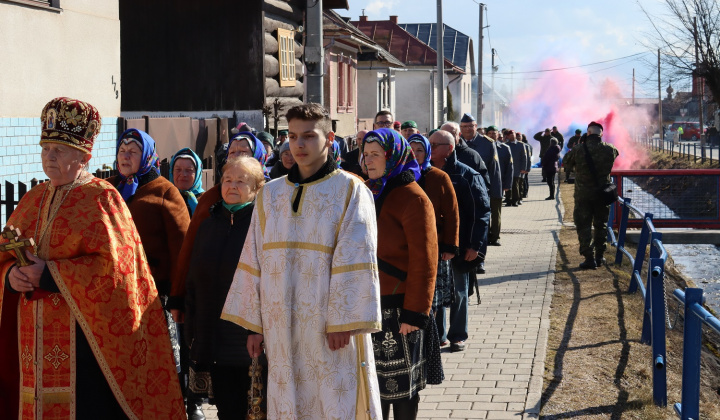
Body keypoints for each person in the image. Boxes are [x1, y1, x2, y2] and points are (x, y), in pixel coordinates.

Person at [0, 97, 184, 419]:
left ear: (84, 156)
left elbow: (117, 272)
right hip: (30, 347)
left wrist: (49, 274)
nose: (49, 157)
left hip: (84, 347)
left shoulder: (102, 198)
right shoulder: (32, 198)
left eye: (60, 150)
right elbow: (4, 250)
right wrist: (10, 276)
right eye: (46, 148)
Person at [221, 103, 383, 419]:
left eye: (309, 136)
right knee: (286, 401)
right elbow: (254, 257)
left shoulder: (350, 190)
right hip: (279, 324)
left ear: (330, 138)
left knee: (332, 401)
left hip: (328, 327)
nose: (299, 145)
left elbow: (357, 257)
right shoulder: (270, 193)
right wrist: (254, 326)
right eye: (293, 136)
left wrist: (343, 321)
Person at [363, 129, 438, 419]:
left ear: (392, 155)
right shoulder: (370, 190)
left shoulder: (413, 197)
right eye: (366, 154)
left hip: (400, 307)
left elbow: (425, 260)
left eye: (375, 154)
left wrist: (415, 313)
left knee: (402, 388)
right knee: (374, 387)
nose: (368, 160)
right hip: (370, 303)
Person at [184, 156, 267, 419]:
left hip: (249, 337)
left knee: (255, 407)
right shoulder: (209, 224)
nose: (232, 186)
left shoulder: (263, 225)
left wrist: (259, 328)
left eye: (241, 181)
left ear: (256, 188)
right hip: (212, 332)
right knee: (225, 406)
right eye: (227, 180)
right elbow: (194, 277)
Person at [168, 131, 268, 325]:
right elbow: (190, 250)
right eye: (232, 152)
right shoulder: (210, 200)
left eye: (244, 152)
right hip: (210, 302)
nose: (237, 156)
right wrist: (178, 297)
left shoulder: (272, 198)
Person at [429, 130, 490, 353]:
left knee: (458, 291)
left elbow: (481, 213)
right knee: (434, 292)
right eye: (430, 143)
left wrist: (475, 246)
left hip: (460, 245)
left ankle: (457, 335)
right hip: (433, 245)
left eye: (436, 144)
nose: (431, 147)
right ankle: (438, 335)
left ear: (450, 148)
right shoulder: (425, 173)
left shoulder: (466, 175)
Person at [408, 133, 459, 358]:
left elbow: (452, 214)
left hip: (436, 247)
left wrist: (451, 245)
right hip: (408, 247)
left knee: (434, 298)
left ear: (427, 152)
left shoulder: (439, 177)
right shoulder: (403, 175)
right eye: (411, 150)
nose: (415, 154)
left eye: (420, 150)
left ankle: (436, 337)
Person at [562, 122, 619, 270]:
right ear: (601, 134)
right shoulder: (610, 149)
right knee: (601, 225)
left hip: (583, 194)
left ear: (587, 133)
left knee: (583, 225)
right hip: (603, 194)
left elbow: (566, 164)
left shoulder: (579, 149)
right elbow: (614, 158)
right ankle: (600, 256)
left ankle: (589, 258)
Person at [461, 115, 505, 248]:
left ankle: (480, 256)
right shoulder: (456, 142)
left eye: (471, 126)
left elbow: (494, 171)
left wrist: (495, 192)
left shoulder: (488, 143)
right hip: (461, 190)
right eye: (464, 126)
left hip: (481, 191)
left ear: (476, 127)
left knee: (481, 223)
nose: (468, 129)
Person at [170, 147, 205, 217]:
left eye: (189, 170)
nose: (183, 175)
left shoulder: (207, 200)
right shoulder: (166, 198)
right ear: (172, 172)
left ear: (197, 173)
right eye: (178, 169)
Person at [506, 130, 528, 206]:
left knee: (515, 186)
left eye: (513, 134)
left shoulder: (520, 145)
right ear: (507, 136)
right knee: (508, 185)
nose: (512, 136)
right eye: (510, 135)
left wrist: (523, 168)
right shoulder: (506, 145)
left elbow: (524, 157)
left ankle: (515, 200)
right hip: (508, 169)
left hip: (517, 168)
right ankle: (508, 200)